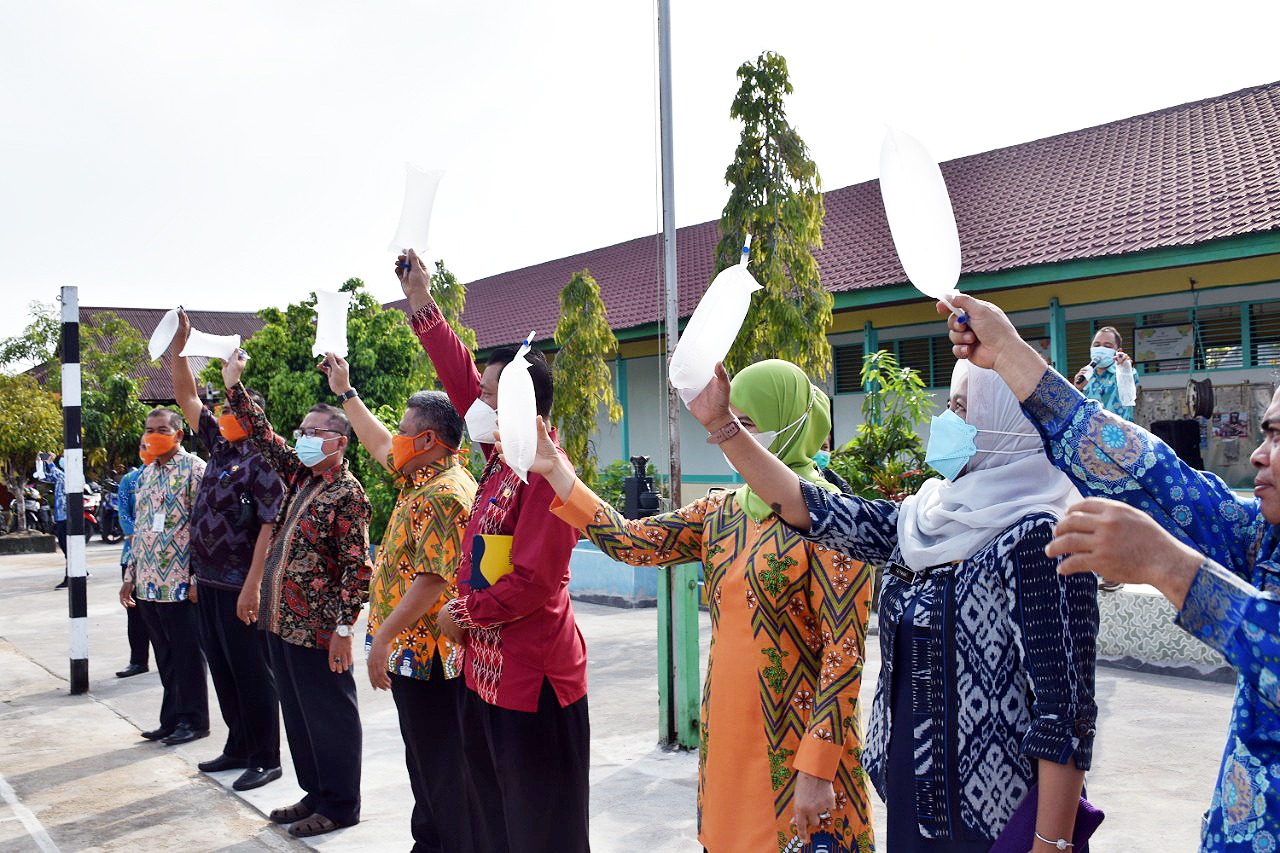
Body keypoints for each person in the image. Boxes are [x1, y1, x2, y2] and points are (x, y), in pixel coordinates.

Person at [689, 359, 1099, 851]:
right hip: (915, 810)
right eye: (948, 404)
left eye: (963, 407)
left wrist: (1050, 843)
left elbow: (1066, 714)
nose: (946, 421)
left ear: (1004, 424)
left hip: (996, 825)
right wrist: (722, 426)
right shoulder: (925, 519)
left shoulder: (1043, 537)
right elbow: (812, 508)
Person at [944, 292, 1280, 853]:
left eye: (1278, 437)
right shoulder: (1266, 537)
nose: (1258, 455)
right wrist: (1007, 351)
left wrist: (1167, 564)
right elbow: (1155, 477)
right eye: (1265, 433)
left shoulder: (1036, 537)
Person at [508, 359, 875, 852]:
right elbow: (631, 542)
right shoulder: (721, 511)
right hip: (727, 735)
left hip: (797, 748)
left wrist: (817, 766)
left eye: (747, 425)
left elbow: (843, 653)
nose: (732, 440)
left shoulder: (835, 523)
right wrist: (555, 468)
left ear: (790, 428)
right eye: (731, 423)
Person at [398, 248, 589, 853]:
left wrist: (464, 614)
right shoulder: (503, 462)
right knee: (493, 824)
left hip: (534, 683)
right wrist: (422, 304)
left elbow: (533, 582)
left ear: (520, 409)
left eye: (489, 397)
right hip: (485, 675)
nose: (474, 406)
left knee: (538, 830)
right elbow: (459, 377)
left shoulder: (547, 475)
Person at [321, 354, 478, 853]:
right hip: (416, 650)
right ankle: (430, 839)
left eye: (406, 430)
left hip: (429, 654)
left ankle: (447, 843)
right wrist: (347, 392)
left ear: (429, 440)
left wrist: (380, 638)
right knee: (425, 757)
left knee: (439, 762)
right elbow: (379, 443)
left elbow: (432, 581)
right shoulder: (422, 477)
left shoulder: (444, 493)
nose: (397, 438)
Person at [221, 349, 372, 839]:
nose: (303, 439)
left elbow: (357, 569)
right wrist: (234, 386)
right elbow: (264, 437)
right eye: (302, 432)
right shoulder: (303, 477)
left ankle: (341, 803)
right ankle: (315, 793)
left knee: (330, 717)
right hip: (282, 622)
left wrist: (346, 629)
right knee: (301, 716)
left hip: (321, 629)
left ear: (340, 441)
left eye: (314, 433)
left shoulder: (347, 494)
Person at [168, 313, 286, 792]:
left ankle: (265, 755)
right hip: (210, 581)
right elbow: (186, 396)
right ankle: (237, 745)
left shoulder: (263, 459)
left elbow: (268, 524)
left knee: (252, 671)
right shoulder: (218, 445)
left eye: (237, 412)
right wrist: (179, 347)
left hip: (242, 583)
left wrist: (254, 584)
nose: (225, 417)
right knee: (223, 667)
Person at [119, 409, 210, 746]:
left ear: (179, 434)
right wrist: (131, 574)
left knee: (187, 656)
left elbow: (203, 528)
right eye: (149, 430)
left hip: (180, 582)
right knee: (165, 657)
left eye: (161, 429)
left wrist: (198, 577)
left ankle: (194, 720)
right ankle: (170, 719)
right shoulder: (144, 474)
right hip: (148, 583)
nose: (153, 435)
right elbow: (141, 529)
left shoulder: (194, 470)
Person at [114, 447, 150, 678]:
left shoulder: (180, 473)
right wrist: (136, 534)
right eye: (144, 445)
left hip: (166, 557)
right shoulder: (130, 480)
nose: (149, 448)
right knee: (135, 610)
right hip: (132, 554)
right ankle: (138, 660)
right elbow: (123, 513)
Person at [1072, 325, 1137, 421]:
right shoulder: (1085, 375)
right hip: (1090, 433)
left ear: (1118, 351)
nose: (1101, 349)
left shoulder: (1125, 372)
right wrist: (1077, 389)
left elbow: (1130, 391)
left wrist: (1125, 367)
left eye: (1107, 346)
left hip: (1119, 433)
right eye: (1097, 345)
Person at [34, 452, 68, 589]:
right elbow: (44, 477)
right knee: (65, 547)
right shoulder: (61, 477)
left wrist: (50, 462)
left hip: (68, 518)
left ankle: (71, 576)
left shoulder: (70, 476)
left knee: (67, 548)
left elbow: (58, 474)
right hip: (61, 517)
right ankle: (81, 571)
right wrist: (39, 463)